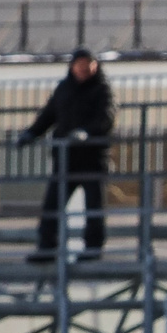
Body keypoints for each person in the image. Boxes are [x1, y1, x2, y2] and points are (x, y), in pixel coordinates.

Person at [23, 48, 115, 262]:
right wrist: (31, 133)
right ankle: (47, 248)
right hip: (66, 160)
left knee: (94, 207)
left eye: (88, 64)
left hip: (92, 159)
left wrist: (87, 133)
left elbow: (106, 118)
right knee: (52, 206)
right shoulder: (64, 89)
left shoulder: (102, 90)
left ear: (95, 66)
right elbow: (48, 115)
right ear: (72, 66)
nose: (83, 68)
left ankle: (92, 249)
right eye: (79, 64)